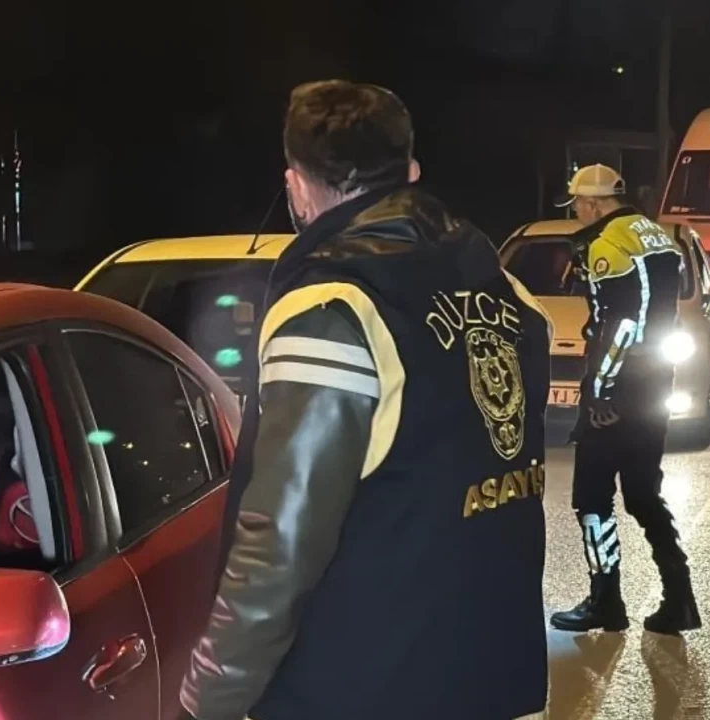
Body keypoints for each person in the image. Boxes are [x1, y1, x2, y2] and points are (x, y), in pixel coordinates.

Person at [179, 80, 553, 720]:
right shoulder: (507, 292)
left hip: (362, 687)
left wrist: (206, 700)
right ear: (410, 172)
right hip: (491, 671)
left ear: (297, 186)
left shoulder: (332, 309)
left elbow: (280, 542)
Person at [549, 163, 702, 636]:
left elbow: (621, 326)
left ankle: (606, 601)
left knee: (591, 498)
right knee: (642, 494)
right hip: (655, 384)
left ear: (593, 203)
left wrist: (600, 391)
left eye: (578, 204)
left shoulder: (607, 245)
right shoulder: (656, 235)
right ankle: (679, 598)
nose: (577, 212)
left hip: (619, 388)